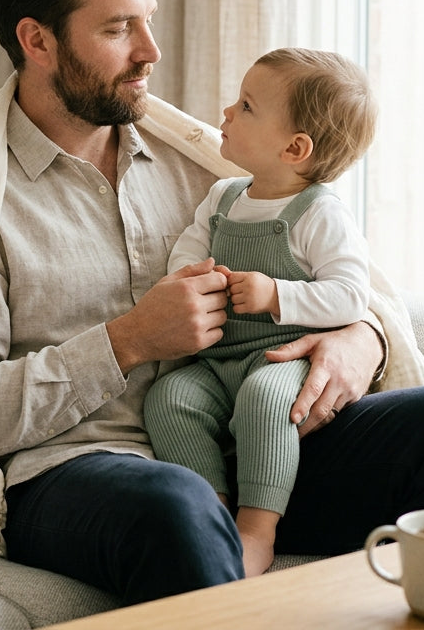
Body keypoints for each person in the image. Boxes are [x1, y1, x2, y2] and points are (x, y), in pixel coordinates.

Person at [0, 0, 424, 605]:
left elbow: (339, 275)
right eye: (119, 29)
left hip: (255, 439)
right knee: (177, 504)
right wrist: (127, 341)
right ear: (38, 41)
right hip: (84, 469)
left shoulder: (200, 162)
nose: (152, 51)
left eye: (147, 20)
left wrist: (363, 340)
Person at [144, 47, 378, 577]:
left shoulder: (319, 213)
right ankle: (214, 511)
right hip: (214, 362)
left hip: (278, 358)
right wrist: (191, 275)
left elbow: (350, 296)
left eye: (246, 107)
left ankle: (257, 527)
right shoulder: (224, 197)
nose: (226, 112)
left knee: (266, 402)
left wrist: (278, 295)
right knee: (168, 400)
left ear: (295, 148)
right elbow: (188, 247)